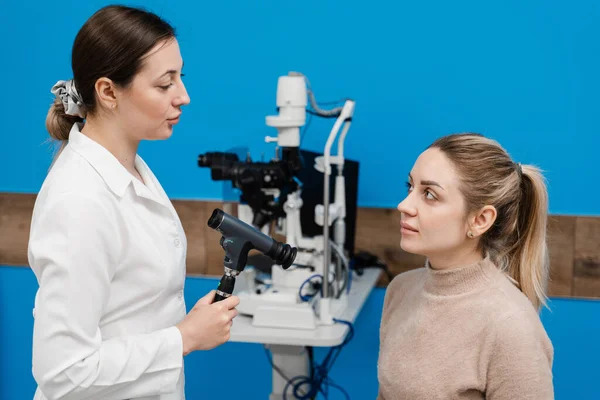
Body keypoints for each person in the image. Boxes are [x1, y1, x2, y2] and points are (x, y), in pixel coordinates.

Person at [28, 5, 239, 400]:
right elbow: (63, 370)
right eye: (164, 85)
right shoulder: (80, 201)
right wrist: (184, 338)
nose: (184, 97)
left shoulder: (131, 169)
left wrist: (185, 327)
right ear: (108, 92)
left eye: (181, 78)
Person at [377, 133, 554, 399]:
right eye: (410, 187)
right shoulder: (400, 291)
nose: (404, 205)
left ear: (480, 220)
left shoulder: (510, 326)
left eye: (429, 194)